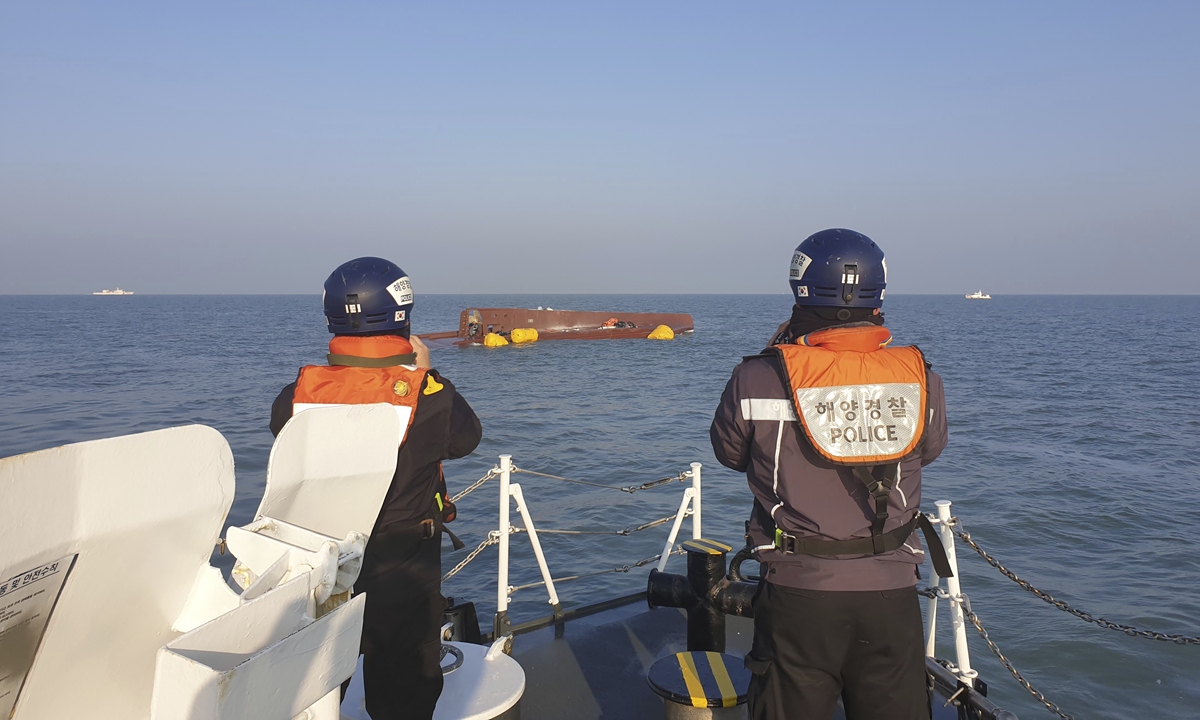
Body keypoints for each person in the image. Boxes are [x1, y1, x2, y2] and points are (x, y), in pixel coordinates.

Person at [710, 229, 951, 720]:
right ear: (879, 293)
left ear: (799, 288)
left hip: (799, 592)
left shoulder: (758, 376)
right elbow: (928, 450)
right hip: (892, 591)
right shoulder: (920, 375)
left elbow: (729, 454)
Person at [270, 257, 481, 720]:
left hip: (322, 568)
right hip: (403, 568)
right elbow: (467, 438)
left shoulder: (295, 396)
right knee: (404, 693)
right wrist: (426, 371)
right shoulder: (430, 396)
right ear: (401, 314)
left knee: (314, 691)